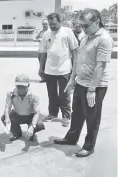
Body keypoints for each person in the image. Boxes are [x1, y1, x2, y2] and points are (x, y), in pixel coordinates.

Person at [54, 9, 113, 157]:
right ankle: (71, 138)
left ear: (97, 22)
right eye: (81, 25)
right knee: (77, 114)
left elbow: (101, 66)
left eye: (86, 25)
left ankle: (89, 146)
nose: (83, 29)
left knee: (92, 118)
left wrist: (92, 89)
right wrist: (72, 80)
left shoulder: (104, 39)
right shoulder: (86, 37)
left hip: (95, 86)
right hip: (80, 82)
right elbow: (78, 61)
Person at [39, 13, 79, 127]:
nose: (51, 26)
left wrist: (75, 69)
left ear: (60, 22)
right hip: (49, 70)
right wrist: (41, 68)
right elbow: (43, 52)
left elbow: (75, 50)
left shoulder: (68, 32)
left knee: (64, 94)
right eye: (50, 24)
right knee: (51, 94)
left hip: (64, 70)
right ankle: (52, 113)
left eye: (54, 24)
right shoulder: (46, 34)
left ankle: (66, 116)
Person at [1, 74, 45, 141]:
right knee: (4, 117)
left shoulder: (34, 95)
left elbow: (36, 113)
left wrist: (32, 126)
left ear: (28, 85)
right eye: (18, 86)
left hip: (30, 115)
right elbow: (7, 108)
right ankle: (17, 133)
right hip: (17, 114)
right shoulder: (10, 93)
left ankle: (31, 133)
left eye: (23, 86)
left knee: (39, 124)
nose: (20, 88)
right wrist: (7, 118)